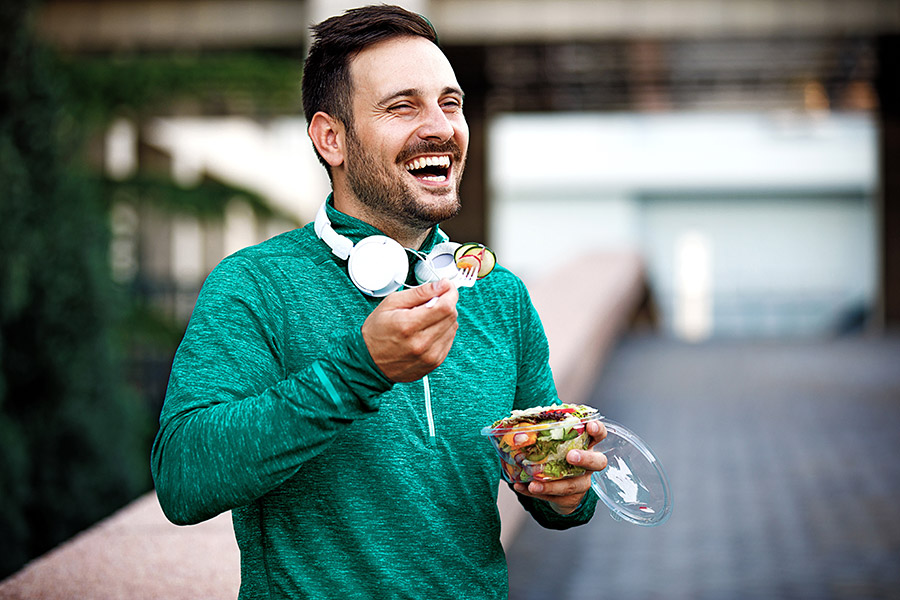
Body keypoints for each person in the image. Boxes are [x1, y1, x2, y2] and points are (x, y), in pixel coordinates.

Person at [150, 5, 607, 599]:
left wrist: (566, 493)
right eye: (402, 106)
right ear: (331, 138)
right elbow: (183, 479)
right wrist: (361, 369)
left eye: (451, 103)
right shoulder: (255, 285)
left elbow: (548, 482)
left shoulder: (499, 295)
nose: (441, 126)